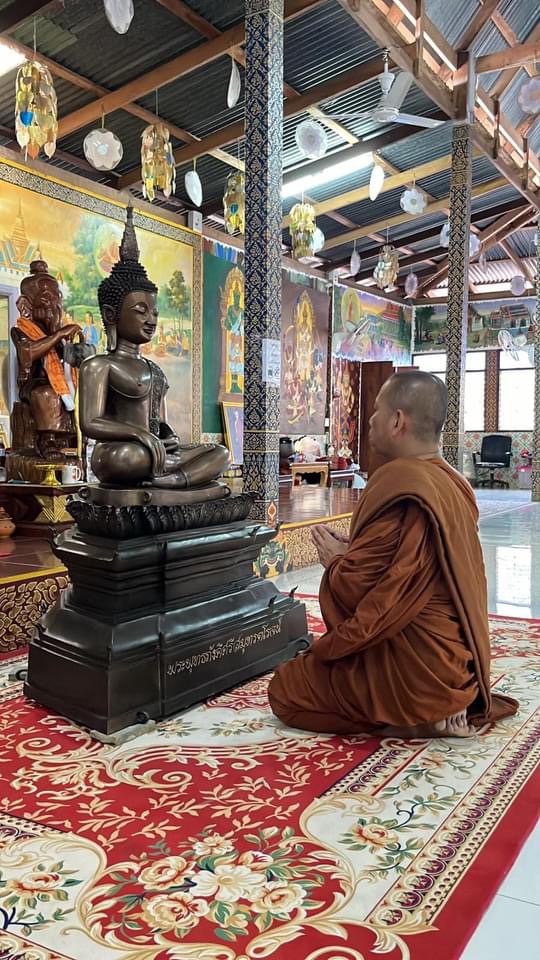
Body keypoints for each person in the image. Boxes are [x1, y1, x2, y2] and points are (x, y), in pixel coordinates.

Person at [269, 372, 518, 738]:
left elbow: (363, 595)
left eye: (377, 411)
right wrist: (354, 552)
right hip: (457, 670)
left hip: (415, 677)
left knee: (285, 690)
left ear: (398, 420)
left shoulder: (398, 480)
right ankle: (436, 706)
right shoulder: (453, 481)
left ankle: (411, 719)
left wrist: (336, 562)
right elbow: (405, 573)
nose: (369, 420)